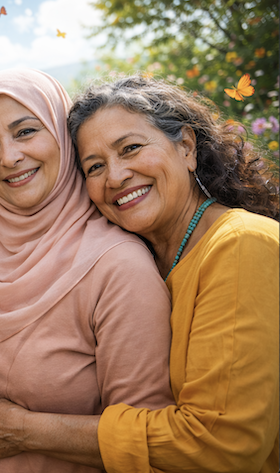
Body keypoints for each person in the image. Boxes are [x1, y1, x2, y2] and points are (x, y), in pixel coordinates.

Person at [0, 68, 175, 472]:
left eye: (25, 132)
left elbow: (147, 439)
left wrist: (26, 430)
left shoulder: (117, 267)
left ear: (62, 136)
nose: (9, 157)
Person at [67, 76, 278, 472]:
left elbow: (221, 443)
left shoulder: (241, 244)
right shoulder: (140, 264)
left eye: (130, 148)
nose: (115, 177)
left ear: (185, 147)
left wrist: (30, 431)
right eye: (94, 167)